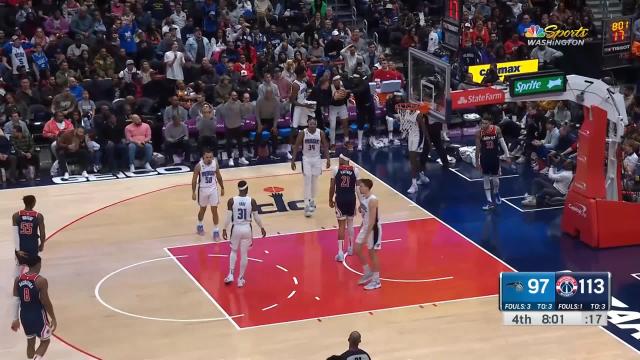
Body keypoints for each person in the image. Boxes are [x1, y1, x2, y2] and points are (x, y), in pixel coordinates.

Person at [11, 254, 57, 360]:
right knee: (45, 341)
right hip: (38, 316)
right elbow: (45, 301)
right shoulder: (41, 280)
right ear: (38, 264)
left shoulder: (18, 279)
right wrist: (53, 318)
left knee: (30, 342)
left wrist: (15, 319)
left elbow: (15, 300)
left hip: (24, 316)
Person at [222, 180, 267, 287]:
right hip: (247, 228)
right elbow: (256, 217)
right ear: (247, 189)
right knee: (244, 254)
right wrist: (262, 227)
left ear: (238, 189)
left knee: (233, 251)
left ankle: (231, 274)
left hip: (236, 228)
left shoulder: (231, 201)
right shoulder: (252, 201)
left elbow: (228, 218)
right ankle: (240, 279)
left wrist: (224, 229)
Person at [291, 117, 331, 217]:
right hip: (306, 158)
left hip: (317, 158)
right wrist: (293, 160)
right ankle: (306, 205)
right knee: (307, 179)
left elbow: (325, 146)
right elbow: (296, 146)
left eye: (314, 124)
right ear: (307, 124)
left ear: (316, 124)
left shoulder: (320, 132)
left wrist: (328, 159)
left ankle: (312, 200)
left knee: (314, 180)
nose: (312, 125)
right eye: (311, 123)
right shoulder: (303, 133)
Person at [475, 115, 510, 210]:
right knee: (485, 178)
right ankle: (489, 201)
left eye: (485, 123)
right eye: (482, 123)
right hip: (484, 158)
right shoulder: (479, 133)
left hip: (495, 158)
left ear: (490, 123)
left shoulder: (496, 129)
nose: (483, 125)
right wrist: (477, 161)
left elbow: (503, 143)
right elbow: (478, 148)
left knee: (495, 181)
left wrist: (507, 155)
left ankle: (496, 192)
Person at [330, 154, 359, 262]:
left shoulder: (336, 169)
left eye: (339, 158)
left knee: (341, 225)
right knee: (350, 223)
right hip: (351, 199)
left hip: (340, 199)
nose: (338, 159)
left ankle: (340, 252)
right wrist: (361, 202)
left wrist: (330, 199)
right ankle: (351, 248)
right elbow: (358, 188)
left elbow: (332, 186)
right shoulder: (355, 170)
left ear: (343, 159)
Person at [192, 149, 225, 241]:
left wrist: (222, 187)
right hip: (202, 190)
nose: (209, 159)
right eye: (207, 157)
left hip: (213, 189)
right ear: (203, 157)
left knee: (214, 210)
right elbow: (194, 180)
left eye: (210, 157)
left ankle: (216, 231)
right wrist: (193, 192)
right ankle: (199, 224)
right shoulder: (198, 166)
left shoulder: (215, 164)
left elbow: (219, 176)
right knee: (203, 209)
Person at [355, 179, 381, 290]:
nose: (360, 188)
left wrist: (366, 236)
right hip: (366, 227)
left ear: (367, 187)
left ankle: (376, 281)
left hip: (373, 229)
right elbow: (366, 216)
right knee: (357, 248)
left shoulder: (373, 200)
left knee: (372, 254)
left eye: (361, 186)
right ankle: (368, 272)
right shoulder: (365, 199)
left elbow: (373, 220)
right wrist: (362, 224)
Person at [13, 195, 45, 276]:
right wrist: (42, 245)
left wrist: (17, 249)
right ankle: (30, 285)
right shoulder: (38, 216)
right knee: (34, 269)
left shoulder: (16, 215)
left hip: (21, 246)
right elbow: (42, 234)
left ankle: (17, 285)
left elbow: (15, 234)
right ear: (34, 203)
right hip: (33, 246)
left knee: (18, 268)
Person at [289, 64, 315, 158]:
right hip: (296, 108)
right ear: (300, 73)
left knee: (304, 128)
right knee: (294, 129)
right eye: (304, 71)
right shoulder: (295, 84)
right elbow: (292, 100)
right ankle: (289, 149)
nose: (306, 72)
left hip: (303, 107)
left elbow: (304, 95)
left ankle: (305, 148)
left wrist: (307, 103)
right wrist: (303, 104)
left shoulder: (304, 82)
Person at [404, 106, 430, 194]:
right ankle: (422, 175)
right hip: (410, 137)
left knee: (412, 161)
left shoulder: (418, 115)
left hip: (418, 138)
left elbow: (424, 129)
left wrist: (428, 141)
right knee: (414, 161)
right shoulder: (406, 112)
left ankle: (414, 185)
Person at [328, 75, 349, 153]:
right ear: (333, 81)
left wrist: (345, 95)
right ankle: (332, 143)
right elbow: (327, 99)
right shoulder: (329, 87)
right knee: (332, 126)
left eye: (339, 79)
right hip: (333, 107)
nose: (338, 81)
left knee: (345, 124)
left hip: (342, 106)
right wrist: (333, 98)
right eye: (336, 80)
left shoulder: (343, 84)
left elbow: (348, 95)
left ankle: (346, 141)